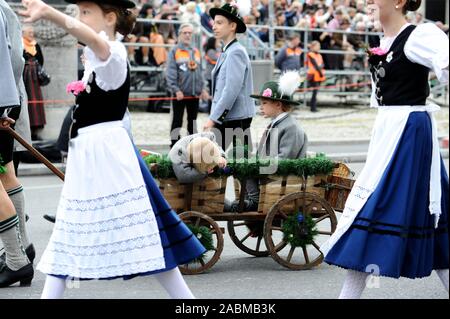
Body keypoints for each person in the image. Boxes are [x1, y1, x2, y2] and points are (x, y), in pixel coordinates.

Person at [20, 0, 205, 299]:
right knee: (73, 233)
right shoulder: (97, 56)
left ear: (109, 18)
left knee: (139, 233)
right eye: (79, 13)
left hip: (106, 155)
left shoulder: (113, 53)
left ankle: (187, 301)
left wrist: (49, 13)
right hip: (91, 153)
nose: (79, 19)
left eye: (86, 13)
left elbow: (91, 37)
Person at [321, 0, 449, 299]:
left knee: (375, 210)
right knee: (435, 218)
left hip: (409, 132)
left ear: (399, 1)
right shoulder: (384, 41)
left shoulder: (419, 35)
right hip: (389, 131)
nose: (368, 2)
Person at [226, 71, 308, 214]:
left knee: (246, 168)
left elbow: (285, 160)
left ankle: (254, 201)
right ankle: (248, 198)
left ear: (278, 104)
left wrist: (256, 165)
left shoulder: (290, 127)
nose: (260, 107)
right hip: (269, 176)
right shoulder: (275, 124)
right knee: (239, 162)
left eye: (264, 103)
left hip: (282, 179)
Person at [0, 0, 34, 288]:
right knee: (5, 173)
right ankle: (24, 246)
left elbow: (9, 59)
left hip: (2, 100)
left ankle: (16, 258)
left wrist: (3, 106)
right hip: (7, 98)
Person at [204, 0, 255, 155]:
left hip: (235, 118)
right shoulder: (228, 50)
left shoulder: (235, 52)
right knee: (214, 161)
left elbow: (230, 90)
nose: (214, 26)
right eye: (214, 22)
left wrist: (213, 118)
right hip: (229, 117)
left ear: (232, 26)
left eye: (219, 23)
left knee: (214, 161)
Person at [166, 23, 209, 148]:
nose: (187, 35)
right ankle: (174, 145)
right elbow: (170, 72)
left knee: (193, 121)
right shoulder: (174, 51)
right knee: (177, 120)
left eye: (190, 33)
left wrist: (203, 89)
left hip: (194, 94)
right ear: (179, 35)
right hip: (179, 93)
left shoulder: (196, 51)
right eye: (185, 32)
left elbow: (201, 72)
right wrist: (175, 89)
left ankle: (192, 145)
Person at [22, 24, 46, 140]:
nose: (32, 34)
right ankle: (27, 131)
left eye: (32, 32)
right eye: (29, 32)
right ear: (24, 33)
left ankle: (36, 131)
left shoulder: (36, 45)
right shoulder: (20, 44)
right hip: (25, 80)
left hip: (35, 81)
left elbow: (41, 60)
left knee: (36, 104)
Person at [305, 41, 326, 112]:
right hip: (313, 76)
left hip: (319, 75)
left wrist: (321, 73)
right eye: (317, 46)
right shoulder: (310, 54)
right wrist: (321, 73)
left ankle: (314, 106)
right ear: (313, 47)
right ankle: (312, 107)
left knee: (315, 92)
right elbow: (315, 65)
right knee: (314, 92)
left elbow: (322, 64)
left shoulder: (319, 55)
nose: (319, 47)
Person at [203, 36, 221, 113]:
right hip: (210, 76)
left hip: (213, 75)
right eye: (216, 42)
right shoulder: (210, 51)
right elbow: (218, 59)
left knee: (213, 92)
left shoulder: (214, 50)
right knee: (212, 93)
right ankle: (210, 109)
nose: (218, 43)